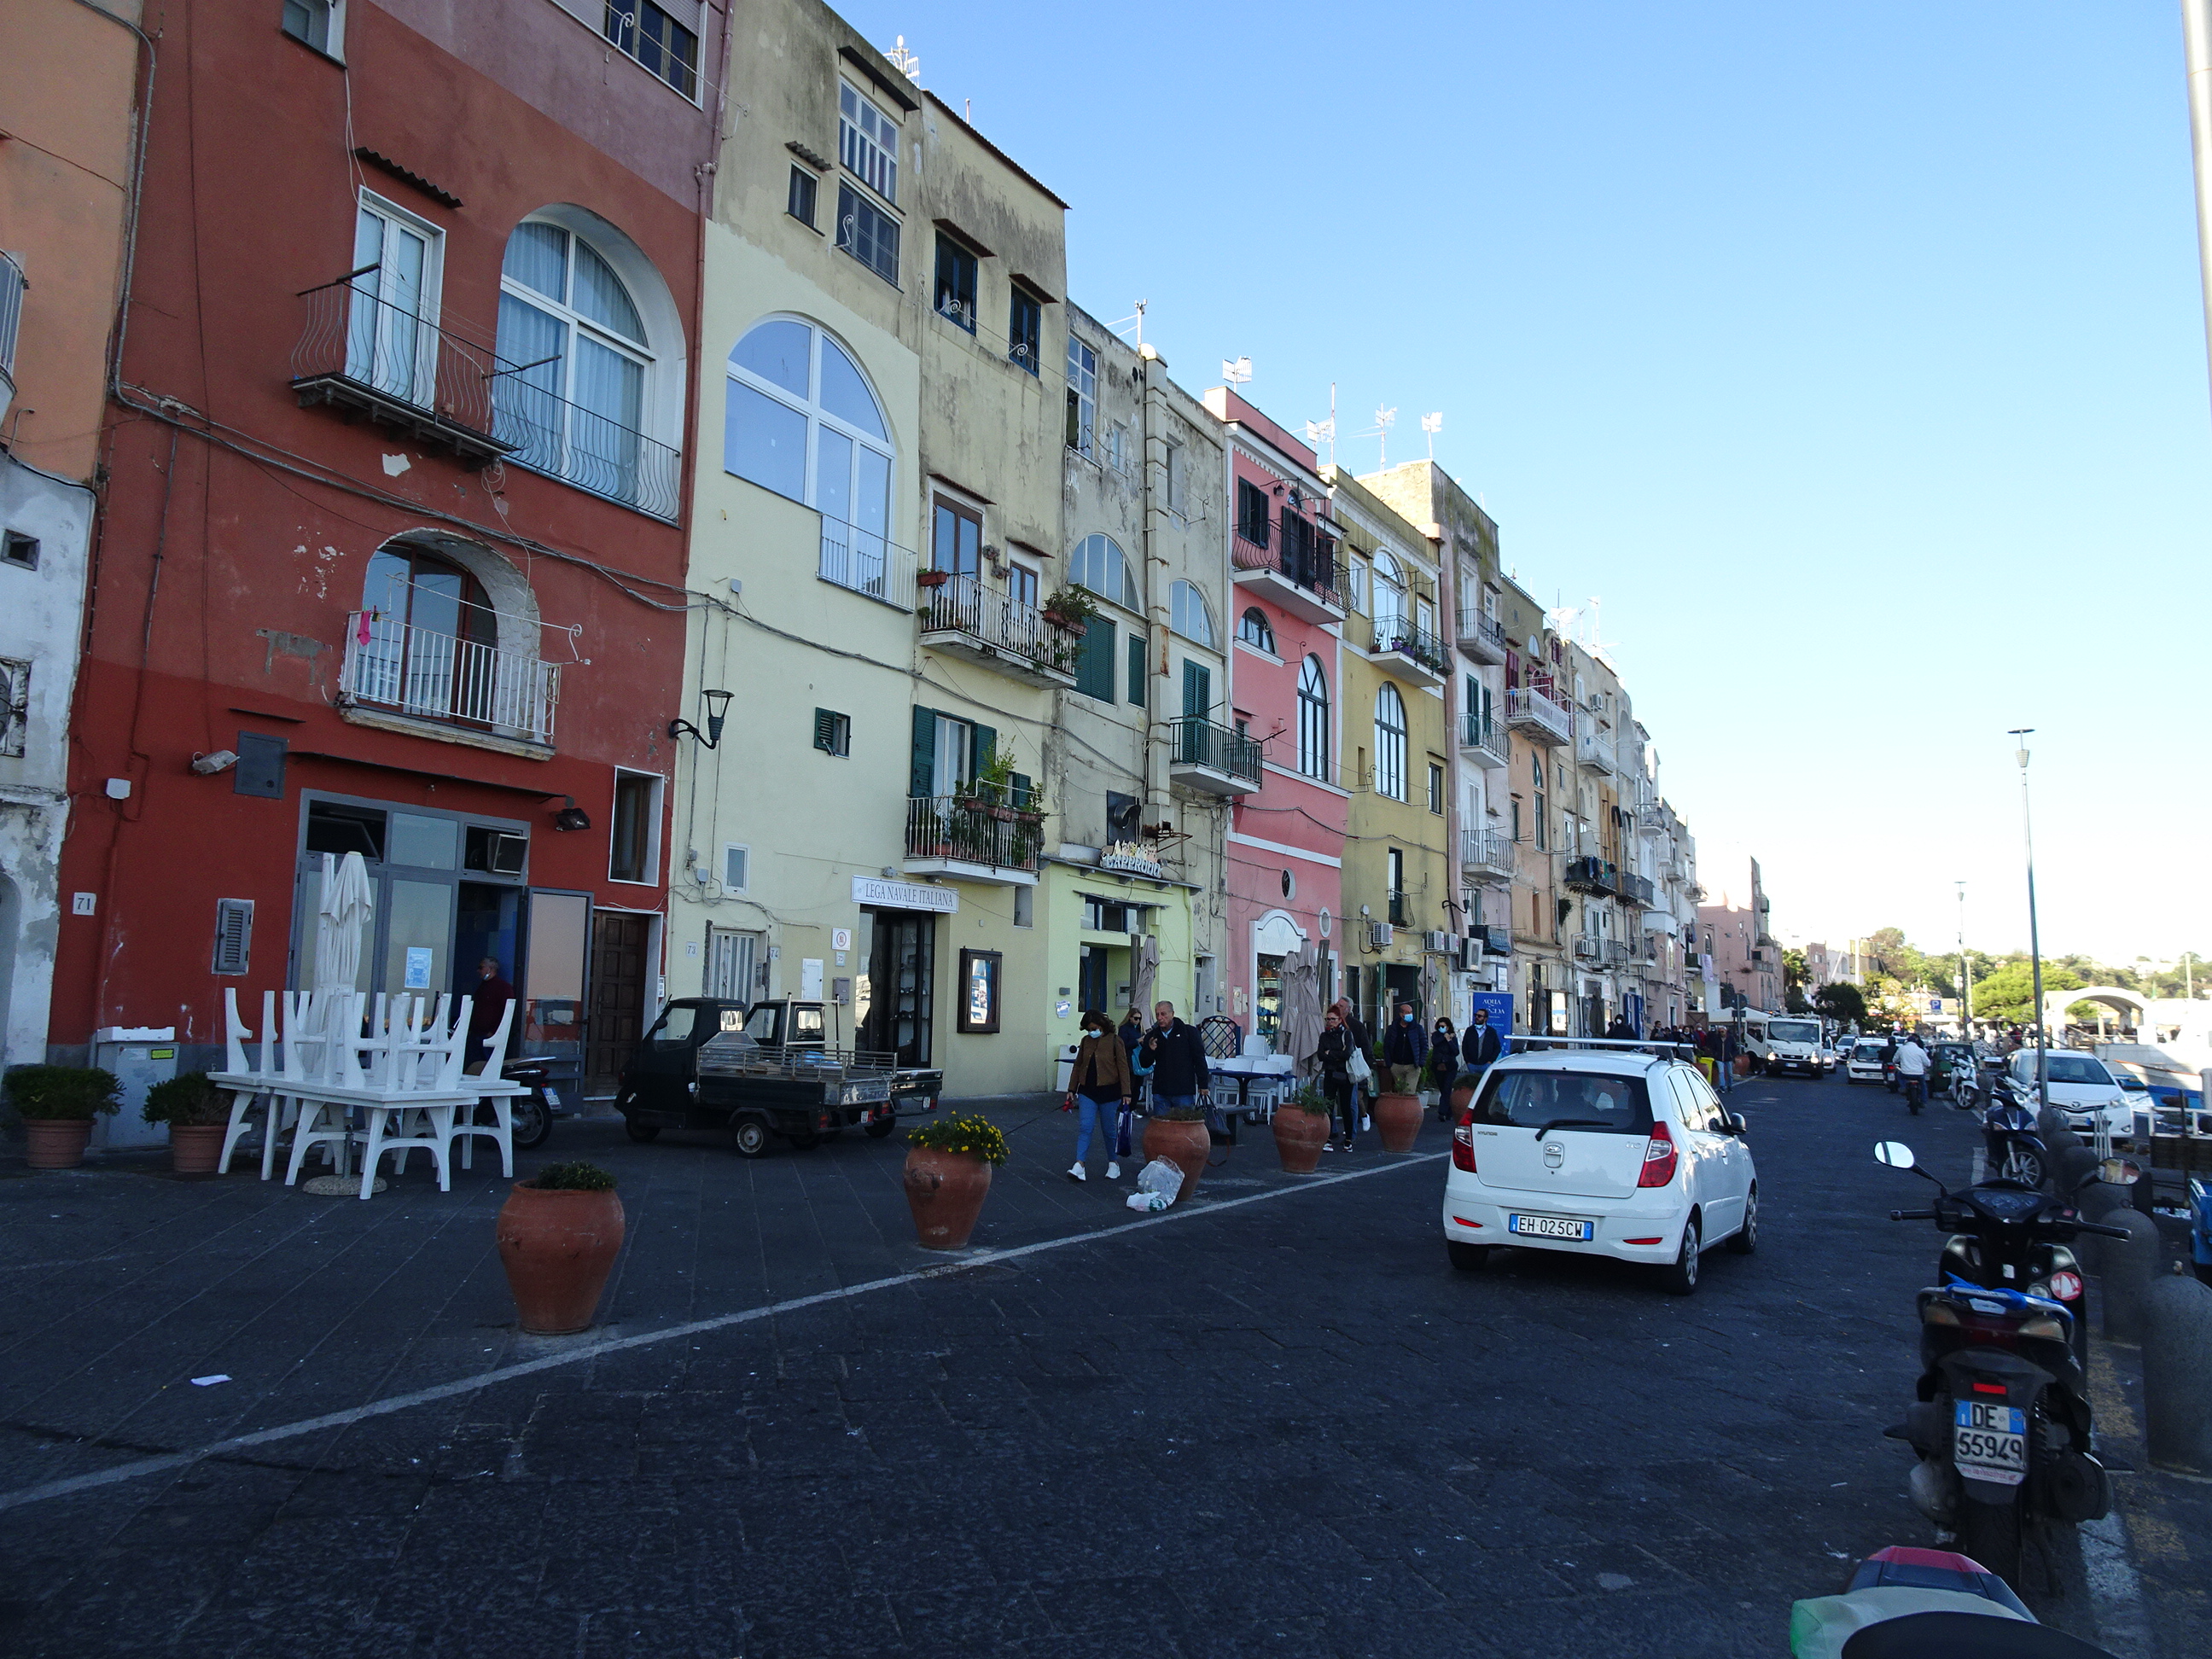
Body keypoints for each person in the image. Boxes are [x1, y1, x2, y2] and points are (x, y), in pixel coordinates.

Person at [1063, 1010, 1132, 1182]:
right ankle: (1079, 1164)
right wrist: (1071, 1089)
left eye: (1093, 1028)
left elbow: (1123, 1067)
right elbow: (1078, 1065)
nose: (1091, 1032)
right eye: (1088, 1029)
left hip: (1110, 1092)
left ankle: (1113, 1163)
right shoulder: (1085, 1041)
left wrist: (1126, 1092)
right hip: (1087, 1091)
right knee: (1085, 1127)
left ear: (1102, 1025)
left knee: (1109, 1130)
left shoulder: (1115, 1041)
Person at [1139, 1000, 1209, 1117]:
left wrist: (1203, 1084)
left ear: (1172, 1014)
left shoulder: (1188, 1032)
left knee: (1184, 1125)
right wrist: (1150, 1050)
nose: (1160, 1018)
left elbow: (1199, 1059)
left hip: (1183, 1090)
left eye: (1163, 1014)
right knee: (1162, 1125)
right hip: (1161, 1091)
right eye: (1157, 1014)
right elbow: (1144, 1063)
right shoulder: (1153, 1036)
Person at [1310, 1005, 1357, 1151]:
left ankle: (1348, 1139)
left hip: (1345, 1074)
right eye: (1328, 1019)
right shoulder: (1324, 1036)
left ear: (1340, 1020)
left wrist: (1330, 1053)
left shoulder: (1347, 1034)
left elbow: (1347, 1054)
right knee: (1328, 1106)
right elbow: (1320, 1055)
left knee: (1345, 1107)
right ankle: (1328, 1137)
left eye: (1333, 1019)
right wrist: (1336, 1054)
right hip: (1330, 1072)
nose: (1330, 1022)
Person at [466, 956, 515, 1073]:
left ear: (490, 968)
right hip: (476, 1034)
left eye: (481, 967)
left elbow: (507, 1011)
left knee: (488, 1068)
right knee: (474, 1067)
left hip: (490, 1035)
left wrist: (494, 1031)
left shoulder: (503, 987)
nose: (479, 971)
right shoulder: (482, 987)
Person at [1382, 1000, 1423, 1094]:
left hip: (1412, 1066)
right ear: (1401, 1014)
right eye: (1407, 1012)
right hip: (1396, 1065)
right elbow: (1387, 1046)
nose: (1410, 1015)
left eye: (1411, 1012)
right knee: (1400, 1092)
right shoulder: (1393, 1028)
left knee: (1409, 1092)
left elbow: (1423, 1045)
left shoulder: (1417, 1028)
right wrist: (1389, 1063)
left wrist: (1420, 1063)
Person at [1425, 1016, 1459, 1119]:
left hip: (1450, 1065)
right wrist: (1444, 1037)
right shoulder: (1436, 1035)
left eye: (1443, 1026)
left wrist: (1449, 1040)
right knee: (1442, 1088)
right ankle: (1449, 1111)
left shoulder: (1453, 1037)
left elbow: (1456, 1051)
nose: (1441, 1028)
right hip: (1438, 1065)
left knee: (1447, 1087)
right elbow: (1435, 1043)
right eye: (1440, 1026)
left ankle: (1442, 1112)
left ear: (1448, 1027)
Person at [1892, 1033, 1930, 1108]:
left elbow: (1895, 1060)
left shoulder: (1902, 1049)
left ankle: (1903, 1087)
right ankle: (1923, 1101)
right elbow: (1928, 1063)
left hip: (1905, 1073)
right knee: (1923, 1086)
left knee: (1899, 1075)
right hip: (1919, 1074)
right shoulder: (1920, 1050)